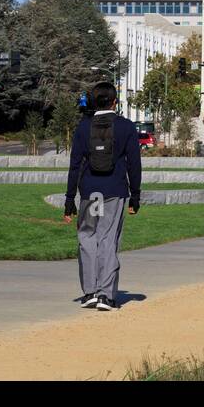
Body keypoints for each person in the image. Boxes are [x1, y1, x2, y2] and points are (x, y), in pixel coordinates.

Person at [63, 81, 142, 311]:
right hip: (114, 191)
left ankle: (89, 292)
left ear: (94, 101)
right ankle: (106, 295)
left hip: (89, 191)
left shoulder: (83, 126)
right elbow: (134, 164)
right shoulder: (126, 127)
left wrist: (69, 199)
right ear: (115, 102)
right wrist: (135, 195)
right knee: (108, 240)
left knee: (87, 238)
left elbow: (75, 165)